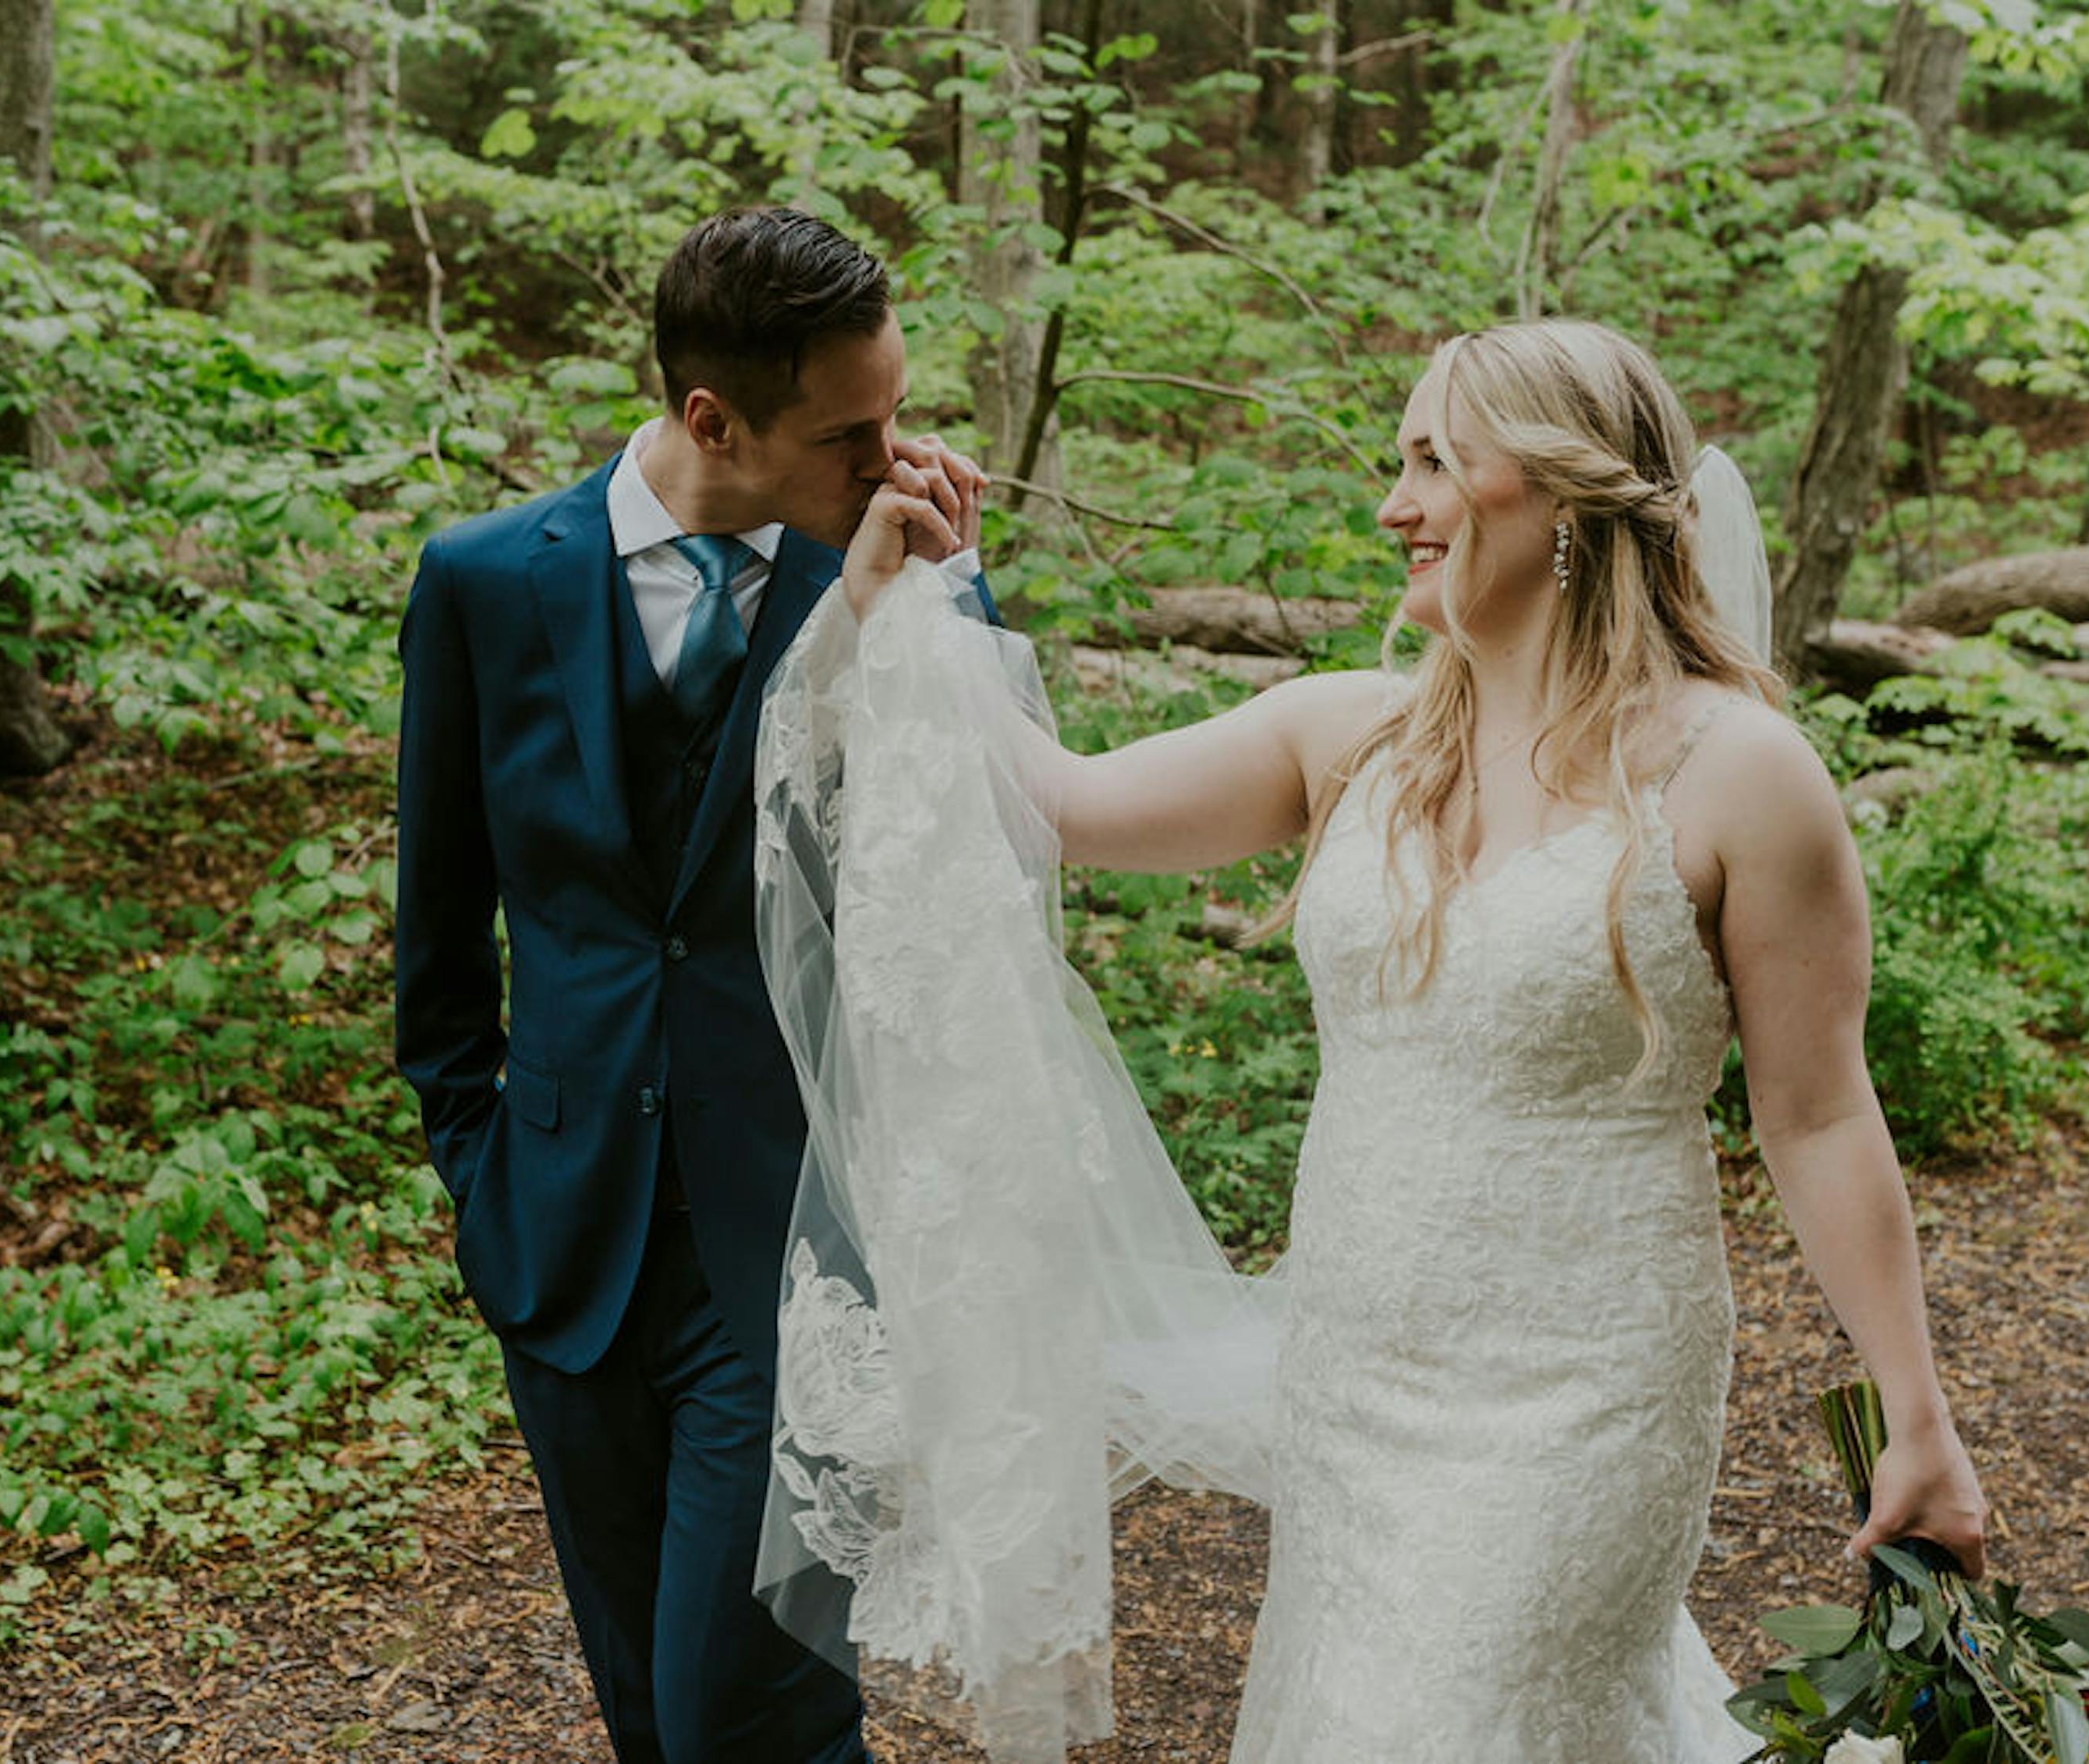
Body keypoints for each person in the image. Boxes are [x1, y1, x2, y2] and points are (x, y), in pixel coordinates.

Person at [781, 317, 1988, 1762]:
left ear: (1561, 496)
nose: (1391, 503)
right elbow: (1053, 798)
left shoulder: (1741, 776)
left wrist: (1917, 1413)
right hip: (1350, 1376)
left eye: (1433, 461)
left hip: (1589, 1393)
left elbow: (1819, 1114)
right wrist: (921, 599)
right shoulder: (1349, 734)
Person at [391, 206, 990, 1764]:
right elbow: (439, 938)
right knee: (654, 1716)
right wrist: (483, 1175)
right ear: (712, 420)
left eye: (897, 413)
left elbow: (973, 844)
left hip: (802, 1245)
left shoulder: (885, 567)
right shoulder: (479, 584)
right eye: (850, 435)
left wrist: (940, 598)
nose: (893, 458)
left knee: (754, 1711)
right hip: (565, 1241)